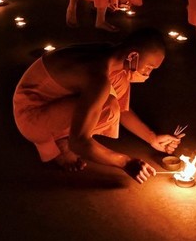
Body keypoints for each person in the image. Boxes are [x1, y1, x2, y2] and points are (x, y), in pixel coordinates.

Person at [12, 28, 183, 183]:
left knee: (115, 93)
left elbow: (123, 110)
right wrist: (126, 162)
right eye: (149, 67)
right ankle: (57, 140)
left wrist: (152, 138)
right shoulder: (97, 74)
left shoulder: (112, 57)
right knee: (108, 107)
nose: (148, 74)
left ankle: (62, 135)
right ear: (133, 56)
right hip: (30, 117)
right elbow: (79, 143)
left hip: (53, 103)